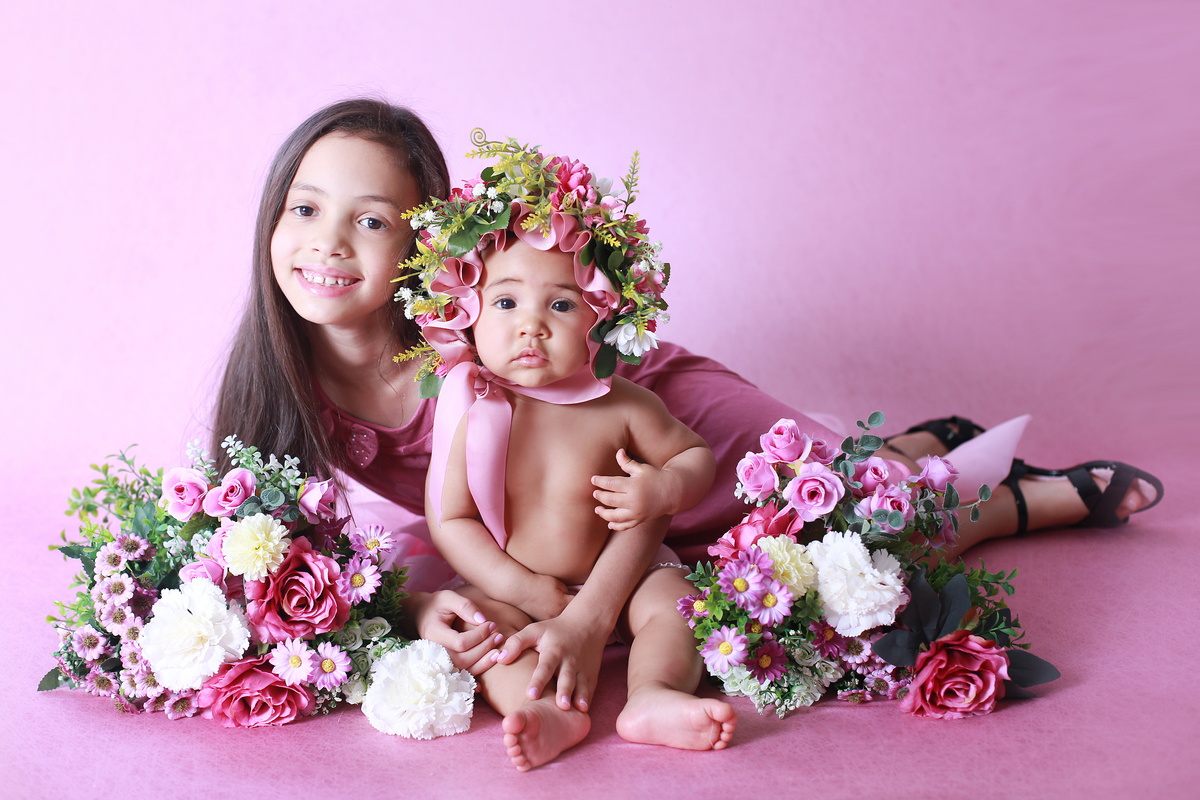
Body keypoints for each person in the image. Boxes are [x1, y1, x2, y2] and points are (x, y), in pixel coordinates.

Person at [210, 97, 1163, 712]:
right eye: (304, 207)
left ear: (434, 251)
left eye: (370, 219)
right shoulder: (281, 395)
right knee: (761, 578)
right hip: (602, 527)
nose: (327, 242)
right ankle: (928, 442)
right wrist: (425, 603)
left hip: (660, 430)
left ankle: (1012, 499)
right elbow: (330, 560)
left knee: (833, 507)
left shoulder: (471, 340)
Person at [405, 134, 736, 768]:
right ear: (466, 313)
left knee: (675, 606)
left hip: (630, 574)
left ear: (604, 315)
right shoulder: (473, 411)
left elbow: (693, 456)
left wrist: (664, 489)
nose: (531, 324)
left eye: (561, 303)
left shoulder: (624, 404)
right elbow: (452, 519)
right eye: (504, 302)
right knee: (486, 636)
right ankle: (546, 712)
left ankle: (652, 694)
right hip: (520, 586)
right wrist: (522, 589)